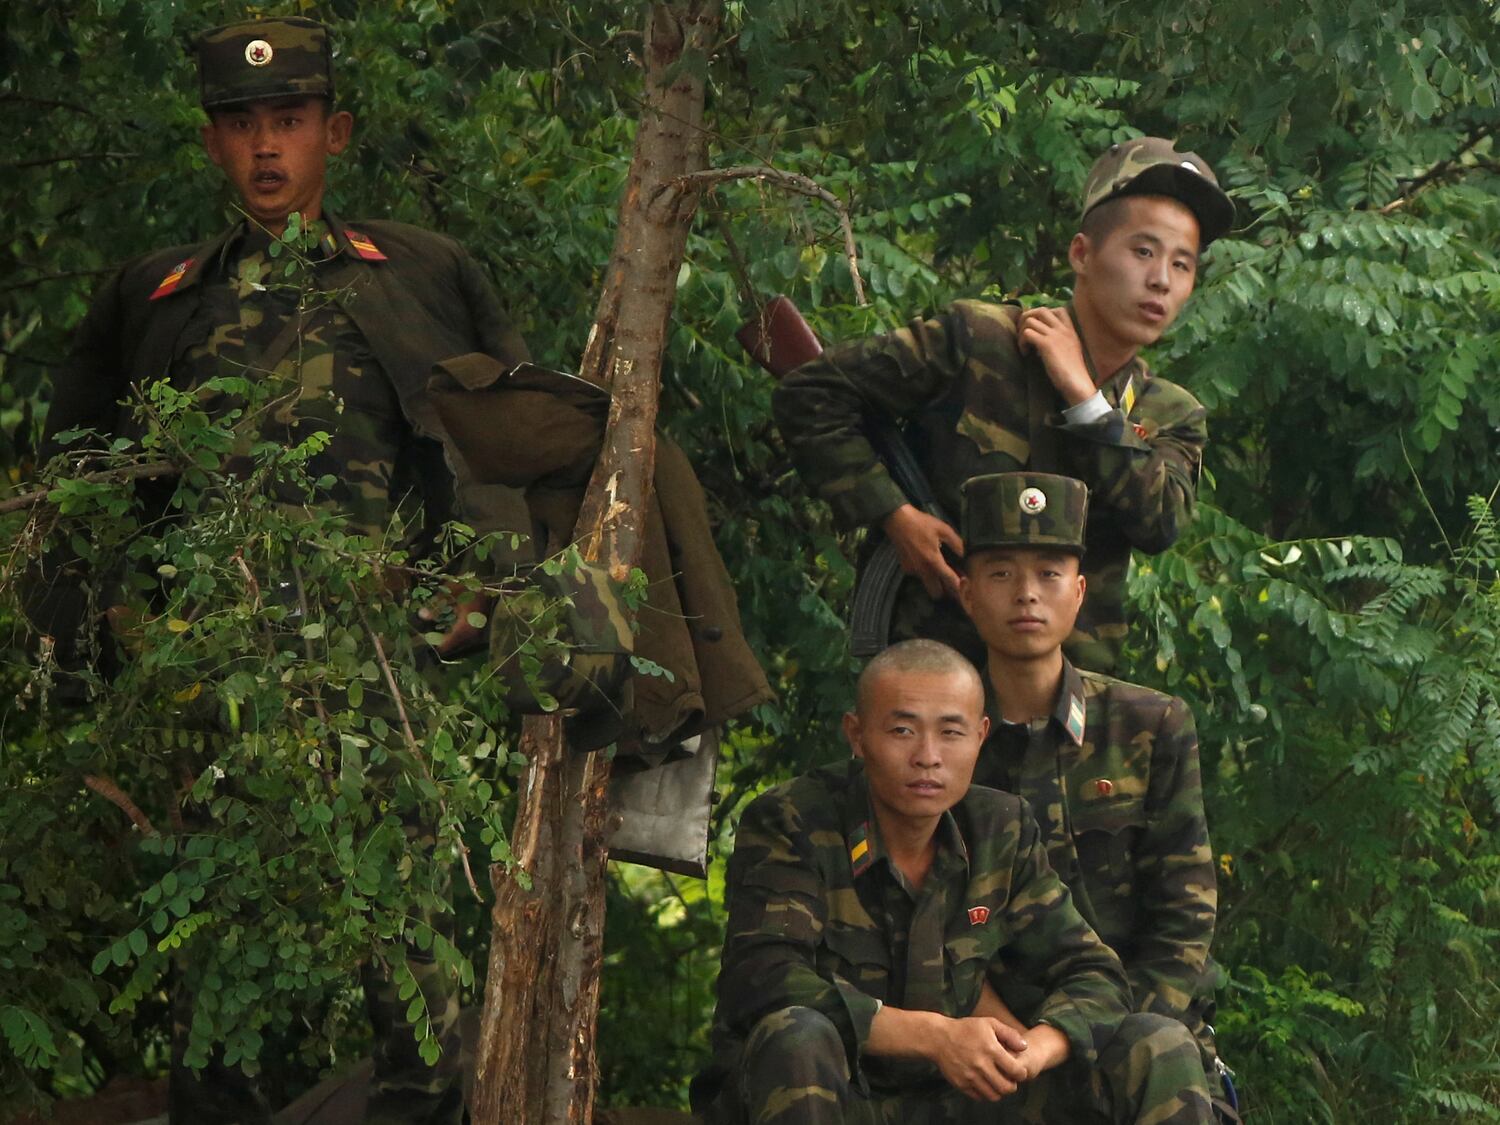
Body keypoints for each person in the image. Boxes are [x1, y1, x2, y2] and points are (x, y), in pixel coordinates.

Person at [34, 17, 530, 1124]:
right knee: (218, 998)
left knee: (423, 988)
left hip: (381, 687)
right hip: (213, 691)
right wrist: (106, 642)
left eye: (290, 122)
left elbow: (512, 445)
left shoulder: (423, 274)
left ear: (333, 133)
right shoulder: (153, 294)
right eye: (242, 125)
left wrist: (485, 593)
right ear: (213, 145)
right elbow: (79, 481)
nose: (267, 148)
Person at [692, 639, 1214, 1123]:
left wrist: (1032, 1052)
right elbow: (762, 978)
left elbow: (1094, 974)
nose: (928, 756)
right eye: (902, 730)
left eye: (951, 731)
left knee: (1156, 1042)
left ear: (980, 736)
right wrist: (936, 1036)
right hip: (840, 1095)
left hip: (963, 1103)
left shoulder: (1000, 828)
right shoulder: (794, 820)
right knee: (796, 1033)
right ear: (857, 735)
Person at [773, 137, 1235, 673]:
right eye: (1143, 251)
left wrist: (1083, 398)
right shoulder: (981, 340)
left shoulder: (1168, 411)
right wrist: (895, 515)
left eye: (1182, 265)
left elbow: (1159, 524)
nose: (1160, 280)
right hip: (932, 690)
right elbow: (811, 392)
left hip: (1068, 700)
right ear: (1082, 254)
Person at [956, 471, 1233, 1118]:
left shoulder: (1150, 725)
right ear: (966, 592)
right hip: (988, 1039)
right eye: (1000, 573)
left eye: (1049, 573)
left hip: (1132, 1029)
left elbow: (1184, 913)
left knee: (1160, 1047)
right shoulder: (941, 739)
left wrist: (1104, 1031)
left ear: (1078, 594)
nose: (1026, 594)